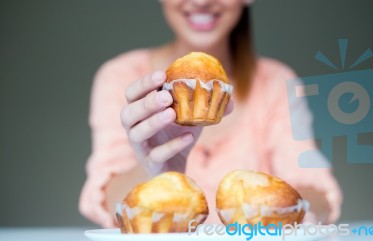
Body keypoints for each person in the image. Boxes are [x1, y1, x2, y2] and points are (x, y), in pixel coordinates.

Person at [79, 0, 342, 228]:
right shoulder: (120, 76)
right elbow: (110, 202)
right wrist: (151, 169)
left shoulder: (277, 82)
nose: (201, 1)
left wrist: (289, 212)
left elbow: (316, 195)